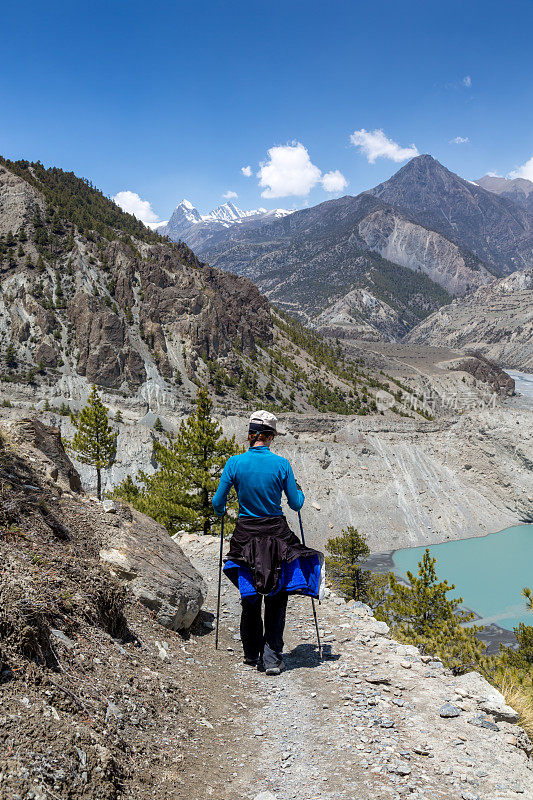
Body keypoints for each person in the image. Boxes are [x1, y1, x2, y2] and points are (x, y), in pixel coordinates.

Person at [212, 410, 323, 675]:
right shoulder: (282, 464)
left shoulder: (234, 463)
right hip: (276, 535)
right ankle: (273, 659)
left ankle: (251, 655)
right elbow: (295, 503)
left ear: (251, 436)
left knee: (250, 596)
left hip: (245, 536)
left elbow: (217, 504)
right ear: (271, 436)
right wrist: (302, 492)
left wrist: (223, 513)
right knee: (276, 595)